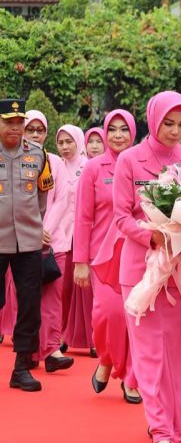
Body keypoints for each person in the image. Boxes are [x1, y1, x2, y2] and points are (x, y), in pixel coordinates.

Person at [110, 90, 181, 443]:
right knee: (149, 355)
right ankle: (162, 432)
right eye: (168, 123)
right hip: (140, 273)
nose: (175, 131)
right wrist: (153, 236)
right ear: (153, 120)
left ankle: (171, 428)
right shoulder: (130, 160)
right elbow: (121, 216)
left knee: (178, 358)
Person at [74, 109, 140, 403]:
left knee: (134, 318)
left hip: (136, 254)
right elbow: (82, 217)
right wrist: (80, 262)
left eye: (124, 129)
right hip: (100, 258)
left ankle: (130, 378)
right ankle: (106, 358)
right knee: (108, 315)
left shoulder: (140, 164)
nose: (117, 135)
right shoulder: (93, 168)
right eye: (112, 129)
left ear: (133, 132)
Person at [0, 99, 53, 391]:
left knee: (30, 304)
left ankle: (21, 367)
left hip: (29, 243)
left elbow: (43, 197)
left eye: (19, 122)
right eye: (8, 122)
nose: (15, 127)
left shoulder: (38, 154)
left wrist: (35, 225)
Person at [31, 118, 74, 372]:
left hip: (54, 241)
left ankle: (52, 350)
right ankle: (29, 350)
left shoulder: (55, 162)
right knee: (28, 299)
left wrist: (45, 229)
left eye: (40, 130)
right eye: (31, 129)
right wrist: (34, 230)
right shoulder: (15, 161)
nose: (35, 134)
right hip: (24, 242)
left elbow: (62, 199)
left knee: (53, 298)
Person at [58, 125, 93, 357]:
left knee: (87, 290)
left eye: (69, 141)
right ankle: (60, 335)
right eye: (61, 142)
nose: (65, 147)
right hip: (61, 235)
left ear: (79, 142)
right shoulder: (55, 167)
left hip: (85, 235)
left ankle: (94, 338)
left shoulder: (89, 166)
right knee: (63, 289)